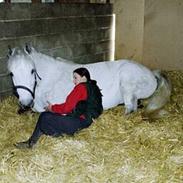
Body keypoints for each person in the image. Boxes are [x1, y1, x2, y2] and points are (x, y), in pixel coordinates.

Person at [15, 67, 103, 149]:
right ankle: (32, 142)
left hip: (78, 122)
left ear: (83, 77)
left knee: (44, 117)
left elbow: (67, 108)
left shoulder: (80, 87)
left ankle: (34, 142)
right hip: (86, 122)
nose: (73, 80)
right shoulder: (93, 86)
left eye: (75, 77)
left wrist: (52, 108)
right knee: (47, 116)